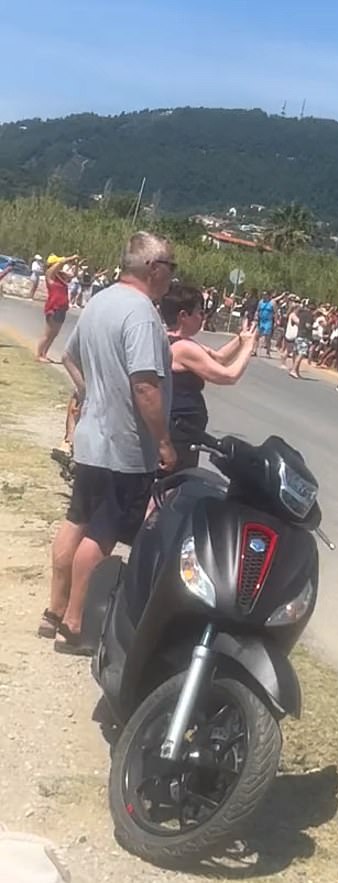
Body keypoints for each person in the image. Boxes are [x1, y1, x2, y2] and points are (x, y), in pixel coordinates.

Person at [37, 232, 177, 654]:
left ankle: (54, 610)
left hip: (93, 439)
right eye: (170, 266)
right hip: (124, 447)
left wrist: (92, 395)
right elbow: (146, 388)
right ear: (153, 268)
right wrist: (165, 441)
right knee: (103, 532)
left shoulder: (100, 300)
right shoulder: (140, 314)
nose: (172, 275)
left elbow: (69, 357)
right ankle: (76, 624)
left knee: (76, 520)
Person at [160, 284, 256, 470]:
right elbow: (228, 376)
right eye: (199, 312)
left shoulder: (178, 341)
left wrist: (240, 339)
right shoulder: (183, 348)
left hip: (185, 428)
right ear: (183, 316)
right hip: (179, 429)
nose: (202, 317)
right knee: (174, 484)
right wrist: (248, 348)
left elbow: (219, 358)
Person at [36, 253, 77, 363]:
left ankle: (44, 353)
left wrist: (76, 264)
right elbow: (61, 263)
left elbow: (73, 276)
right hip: (54, 307)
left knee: (54, 334)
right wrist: (70, 258)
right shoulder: (50, 274)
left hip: (62, 307)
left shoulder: (60, 276)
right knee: (48, 333)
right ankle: (39, 354)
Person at [289, 301, 314, 379]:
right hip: (304, 336)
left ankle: (296, 371)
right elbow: (307, 325)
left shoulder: (301, 314)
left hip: (299, 334)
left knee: (296, 353)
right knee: (301, 354)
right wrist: (313, 328)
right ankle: (293, 370)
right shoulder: (309, 315)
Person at [280, 298, 300, 369]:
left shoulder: (294, 315)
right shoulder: (293, 315)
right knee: (288, 350)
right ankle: (283, 363)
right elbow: (298, 322)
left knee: (293, 351)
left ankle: (293, 365)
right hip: (291, 335)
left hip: (293, 335)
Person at [256, 290, 275, 357]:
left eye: (265, 295)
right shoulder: (261, 302)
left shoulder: (272, 303)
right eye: (263, 295)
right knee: (257, 335)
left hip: (268, 321)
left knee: (267, 337)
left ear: (268, 295)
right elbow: (257, 310)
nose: (263, 296)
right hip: (261, 320)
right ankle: (254, 350)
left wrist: (275, 321)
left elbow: (275, 313)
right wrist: (256, 317)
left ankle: (268, 352)